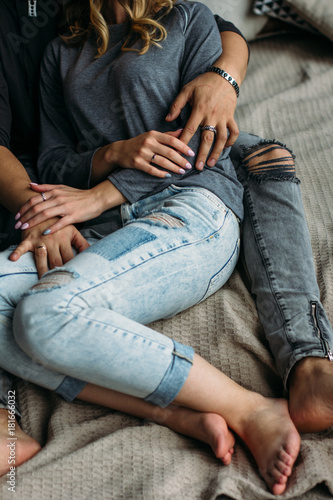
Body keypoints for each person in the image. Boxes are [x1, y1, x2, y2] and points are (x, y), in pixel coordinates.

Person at [0, 0, 303, 495]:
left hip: (190, 209)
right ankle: (176, 412)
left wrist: (102, 191)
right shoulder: (62, 49)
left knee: (43, 312)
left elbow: (205, 145)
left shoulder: (188, 19)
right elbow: (53, 163)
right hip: (104, 227)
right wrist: (110, 155)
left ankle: (250, 407)